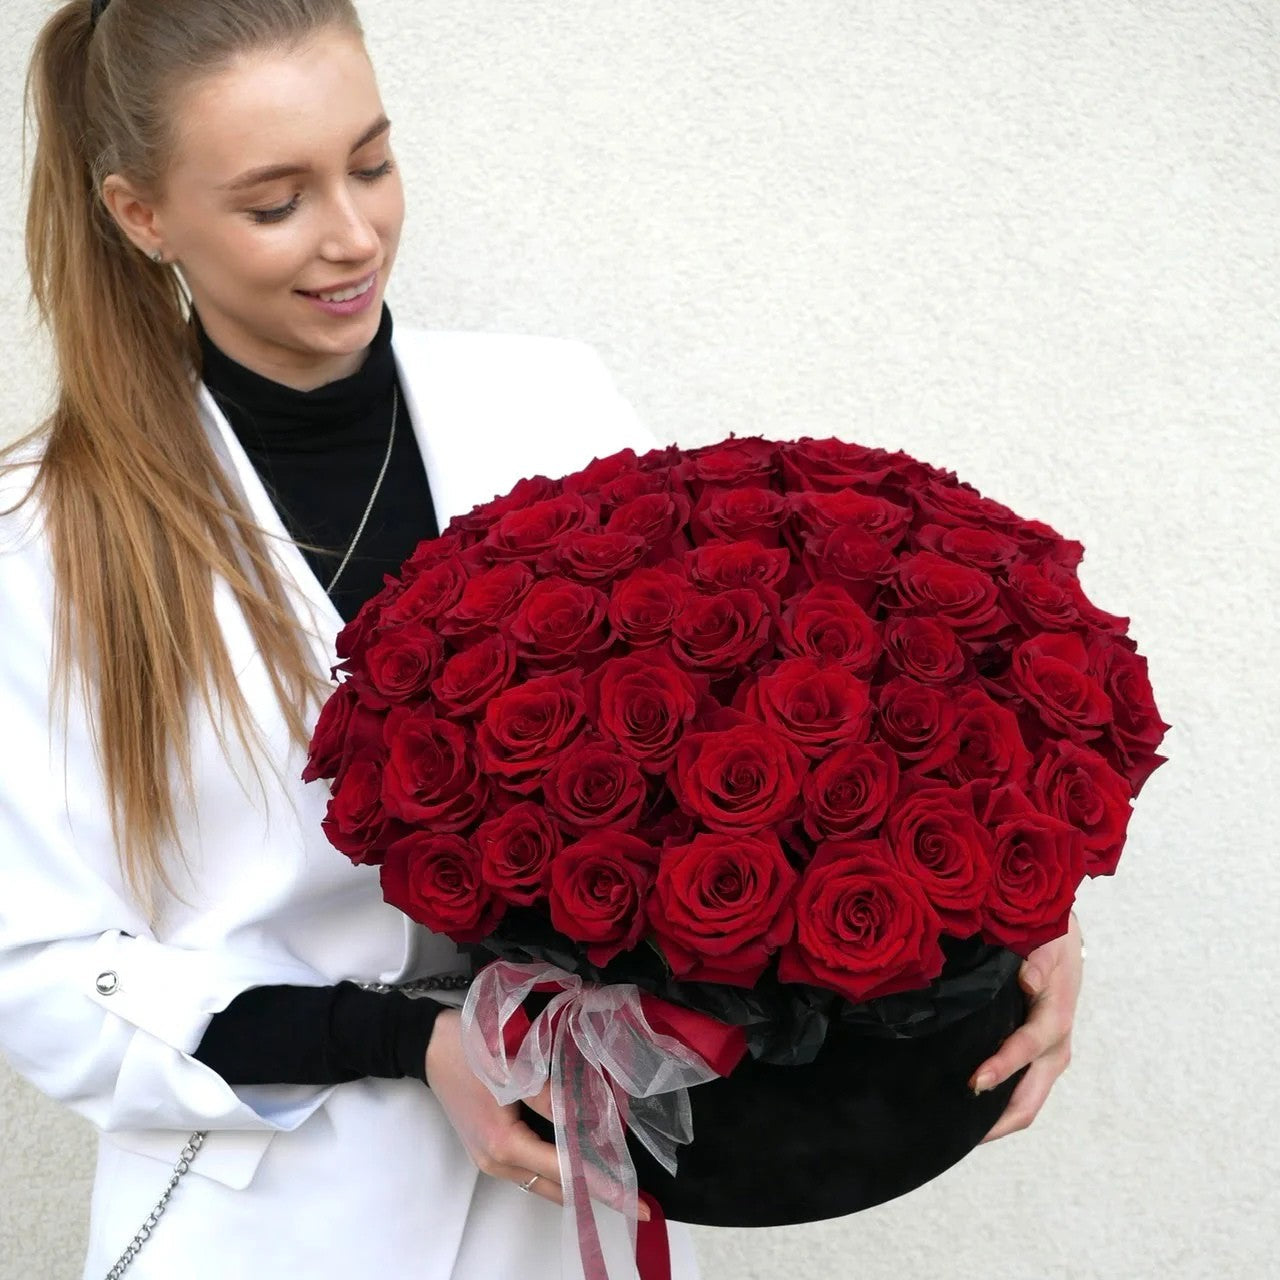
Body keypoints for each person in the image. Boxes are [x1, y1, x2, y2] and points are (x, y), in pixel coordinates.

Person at [0, 1, 1083, 1277]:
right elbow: (41, 972)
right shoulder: (39, 545)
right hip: (276, 1214)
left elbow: (762, 752)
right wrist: (411, 1042)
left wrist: (1005, 921)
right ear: (141, 215)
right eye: (276, 201)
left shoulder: (548, 401)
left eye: (371, 163)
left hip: (569, 1197)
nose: (354, 234)